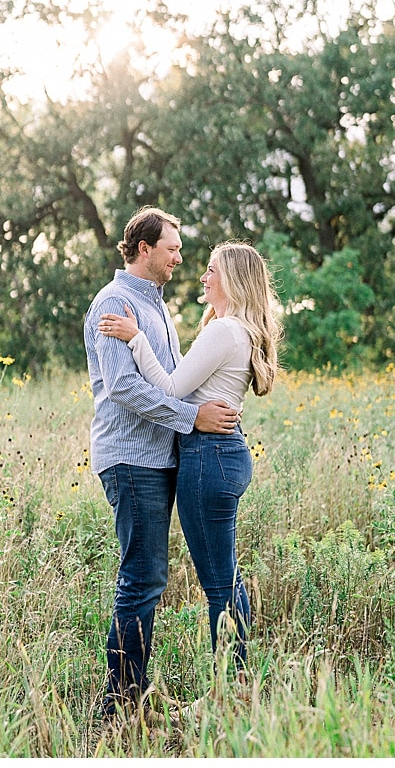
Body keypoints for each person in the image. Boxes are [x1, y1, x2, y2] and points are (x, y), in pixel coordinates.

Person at [82, 206, 239, 722]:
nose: (179, 257)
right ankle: (120, 705)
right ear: (144, 248)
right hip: (131, 459)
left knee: (151, 577)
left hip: (161, 456)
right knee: (143, 577)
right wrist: (194, 418)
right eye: (172, 247)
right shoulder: (115, 302)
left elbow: (168, 377)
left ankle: (137, 693)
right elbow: (125, 389)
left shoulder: (156, 308)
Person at [99, 241, 282, 677]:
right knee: (226, 578)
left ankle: (232, 686)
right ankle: (234, 681)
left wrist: (136, 338)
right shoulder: (236, 330)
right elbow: (188, 382)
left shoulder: (224, 331)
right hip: (222, 455)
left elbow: (171, 388)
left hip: (209, 457)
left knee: (219, 584)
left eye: (211, 270)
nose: (202, 276)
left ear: (232, 279)